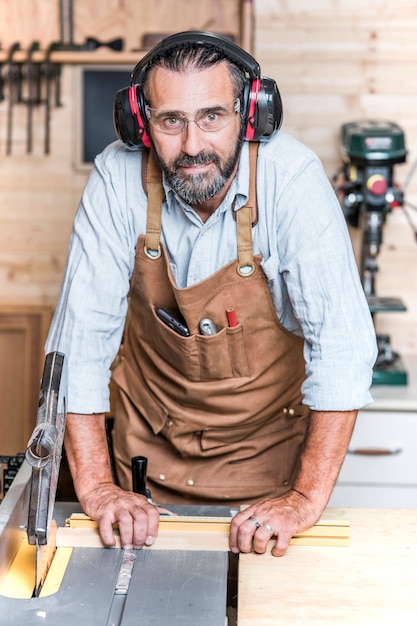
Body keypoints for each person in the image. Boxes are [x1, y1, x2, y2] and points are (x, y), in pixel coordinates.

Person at [46, 31, 377, 557]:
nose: (193, 145)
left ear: (251, 116)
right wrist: (98, 488)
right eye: (171, 120)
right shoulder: (115, 177)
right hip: (144, 468)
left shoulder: (291, 179)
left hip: (267, 471)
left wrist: (304, 498)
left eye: (212, 116)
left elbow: (343, 350)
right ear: (141, 123)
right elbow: (77, 349)